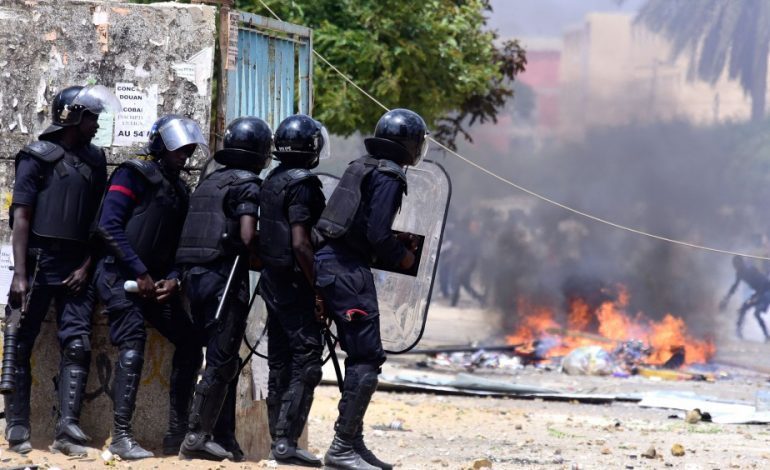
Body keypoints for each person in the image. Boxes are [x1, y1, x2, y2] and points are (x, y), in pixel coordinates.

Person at [4, 85, 118, 456]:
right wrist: (20, 274)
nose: (97, 124)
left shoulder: (96, 160)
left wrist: (87, 265)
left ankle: (67, 430)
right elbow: (21, 218)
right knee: (20, 342)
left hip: (77, 266)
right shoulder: (35, 157)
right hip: (37, 262)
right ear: (72, 116)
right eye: (92, 118)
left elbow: (97, 221)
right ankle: (18, 426)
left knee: (77, 343)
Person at [314, 108, 428, 470]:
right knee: (366, 358)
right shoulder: (390, 176)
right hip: (348, 270)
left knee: (361, 355)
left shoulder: (361, 165)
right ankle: (342, 446)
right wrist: (404, 258)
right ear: (410, 144)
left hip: (328, 263)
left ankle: (354, 443)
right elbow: (377, 235)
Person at [93, 115, 207, 459]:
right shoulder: (132, 173)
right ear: (160, 145)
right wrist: (139, 271)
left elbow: (178, 246)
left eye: (187, 151)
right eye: (177, 150)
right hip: (119, 276)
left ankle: (177, 432)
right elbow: (108, 225)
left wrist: (173, 279)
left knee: (190, 343)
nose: (183, 157)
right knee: (133, 342)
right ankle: (121, 437)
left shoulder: (180, 190)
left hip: (154, 284)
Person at [175, 116, 270, 461]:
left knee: (223, 362)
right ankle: (197, 436)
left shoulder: (208, 182)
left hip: (191, 281)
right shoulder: (248, 184)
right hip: (224, 280)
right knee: (219, 361)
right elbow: (246, 236)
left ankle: (222, 435)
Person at [259, 114, 328, 467]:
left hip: (273, 281)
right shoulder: (303, 184)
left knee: (280, 361)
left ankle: (279, 442)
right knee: (308, 360)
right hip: (293, 283)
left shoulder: (272, 178)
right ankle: (287, 441)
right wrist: (321, 287)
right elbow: (301, 243)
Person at [720, 255, 770, 340]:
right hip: (759, 293)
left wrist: (756, 297)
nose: (735, 267)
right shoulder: (740, 273)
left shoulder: (750, 270)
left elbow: (764, 282)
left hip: (766, 292)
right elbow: (734, 286)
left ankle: (766, 336)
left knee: (757, 313)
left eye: (736, 265)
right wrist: (726, 299)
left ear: (741, 263)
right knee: (743, 308)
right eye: (734, 265)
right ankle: (738, 333)